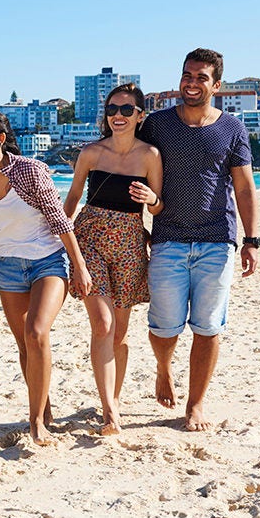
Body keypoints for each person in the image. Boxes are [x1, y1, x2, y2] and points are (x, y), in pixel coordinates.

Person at [138, 48, 259, 432]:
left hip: (217, 240)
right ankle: (163, 368)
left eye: (201, 77)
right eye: (187, 75)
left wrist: (251, 240)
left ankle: (196, 405)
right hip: (168, 239)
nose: (191, 83)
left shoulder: (232, 128)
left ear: (216, 85)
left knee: (208, 327)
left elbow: (244, 186)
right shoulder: (156, 124)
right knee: (164, 326)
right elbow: (128, 163)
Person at [0, 108, 93, 445]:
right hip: (7, 265)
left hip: (47, 261)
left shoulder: (30, 171)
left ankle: (35, 422)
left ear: (0, 139)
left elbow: (60, 220)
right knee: (24, 343)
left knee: (36, 332)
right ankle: (44, 410)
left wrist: (79, 266)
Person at [63, 83, 163, 435]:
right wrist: (63, 240)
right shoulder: (91, 152)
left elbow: (159, 206)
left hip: (130, 243)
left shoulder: (150, 155)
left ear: (139, 115)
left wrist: (151, 198)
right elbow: (73, 197)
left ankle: (113, 399)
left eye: (125, 110)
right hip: (90, 237)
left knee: (119, 333)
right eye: (112, 110)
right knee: (102, 325)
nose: (117, 116)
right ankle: (109, 412)